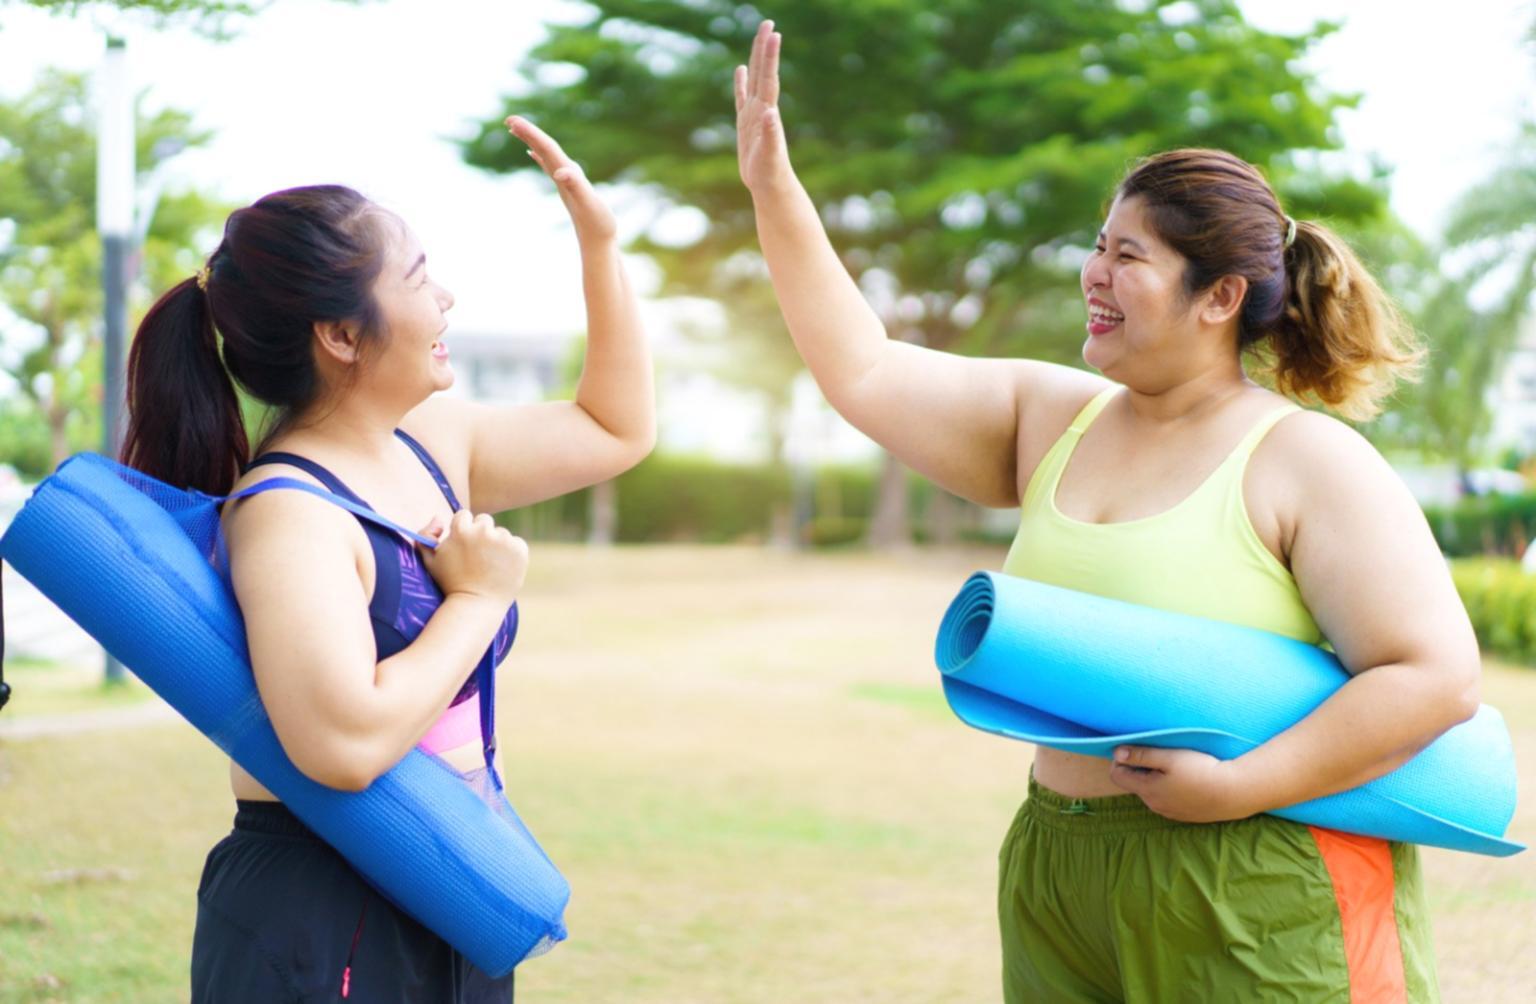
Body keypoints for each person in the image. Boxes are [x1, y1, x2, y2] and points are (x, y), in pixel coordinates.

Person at [734, 20, 1479, 1002]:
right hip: (1060, 857)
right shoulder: (1054, 420)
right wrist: (773, 190)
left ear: (1218, 297)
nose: (1093, 270)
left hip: (1257, 866)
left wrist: (1242, 785)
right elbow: (862, 365)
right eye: (1097, 244)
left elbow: (1434, 675)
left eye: (1126, 254)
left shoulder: (1306, 459)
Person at [122, 117, 654, 1002]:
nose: (445, 299)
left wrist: (599, 244)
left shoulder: (427, 441)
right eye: (417, 278)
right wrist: (477, 601)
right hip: (323, 914)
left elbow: (615, 428)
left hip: (450, 878)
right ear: (340, 333)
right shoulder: (288, 513)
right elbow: (342, 744)